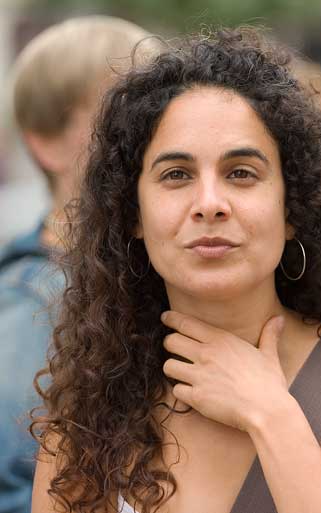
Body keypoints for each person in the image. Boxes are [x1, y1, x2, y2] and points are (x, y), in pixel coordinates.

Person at [31, 28, 321, 513]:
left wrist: (272, 418)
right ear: (133, 215)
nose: (209, 204)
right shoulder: (83, 432)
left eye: (241, 173)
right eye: (176, 175)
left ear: (291, 207)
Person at [0, 16, 157, 513]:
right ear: (45, 141)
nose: (143, 139)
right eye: (118, 122)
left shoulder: (132, 273)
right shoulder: (35, 299)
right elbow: (22, 484)